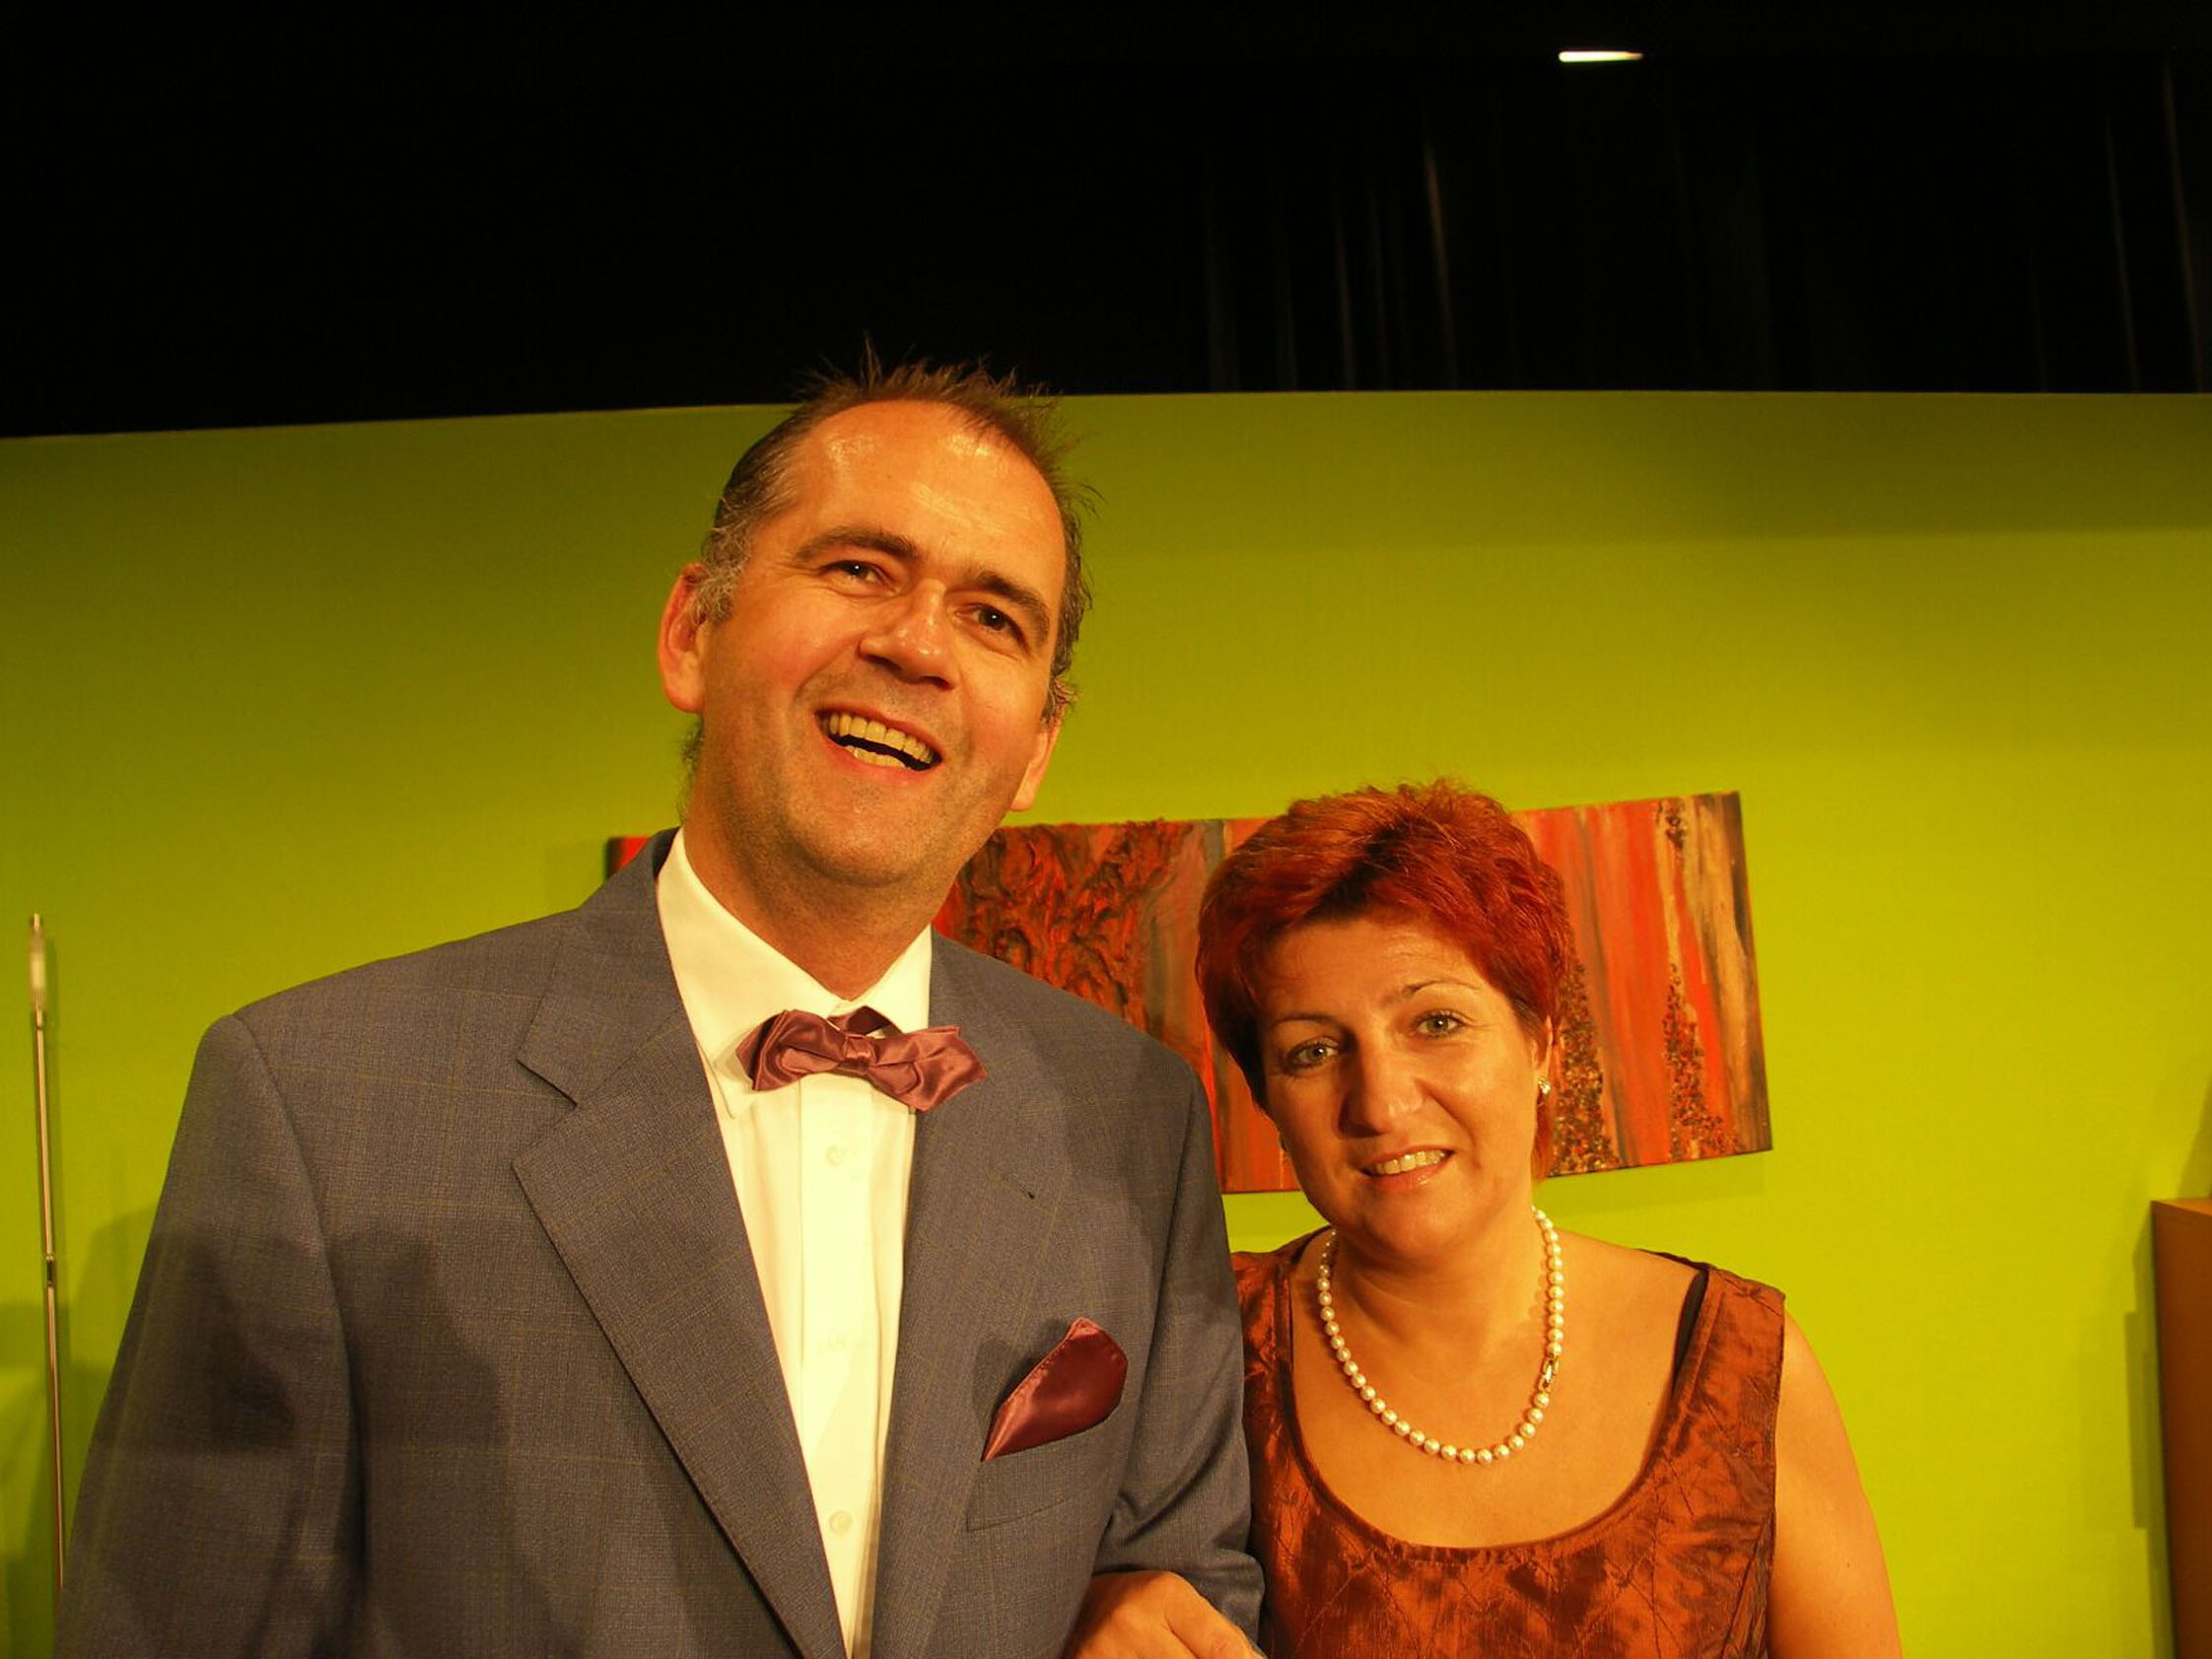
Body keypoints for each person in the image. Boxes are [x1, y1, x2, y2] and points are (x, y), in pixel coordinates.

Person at [58, 362, 1262, 1658]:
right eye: (859, 567)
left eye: (993, 615)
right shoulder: (315, 1104)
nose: (918, 643)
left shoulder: (1134, 1115)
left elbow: (1184, 1576)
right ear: (694, 630)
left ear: (1037, 748)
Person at [1186, 781, 1901, 1657]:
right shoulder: (1204, 1350)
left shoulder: (1740, 1360)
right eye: (1315, 1050)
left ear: (1542, 1045)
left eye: (1436, 1021)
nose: (1380, 1102)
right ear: (1269, 1101)